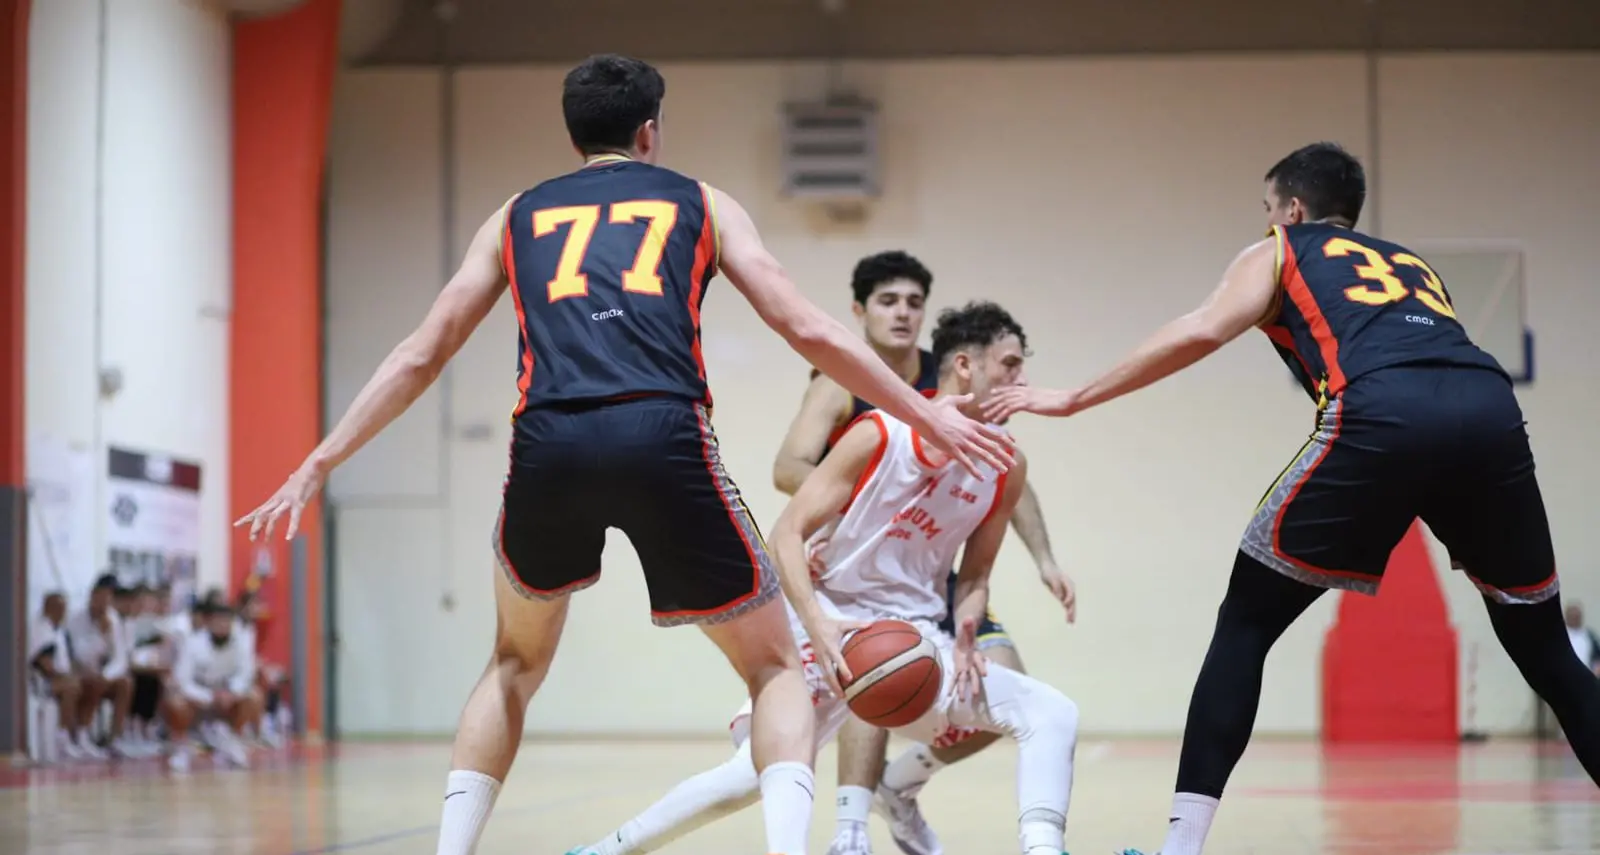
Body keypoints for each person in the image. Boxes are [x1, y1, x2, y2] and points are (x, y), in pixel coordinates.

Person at [234, 53, 1014, 855]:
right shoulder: (701, 201)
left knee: (511, 663)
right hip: (661, 435)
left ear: (574, 134)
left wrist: (320, 459)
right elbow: (806, 326)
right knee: (778, 666)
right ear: (650, 131)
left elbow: (420, 354)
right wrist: (924, 410)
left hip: (549, 442)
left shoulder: (514, 215)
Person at [983, 141, 1600, 855]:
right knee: (1549, 650)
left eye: (1269, 208)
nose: (1268, 219)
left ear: (1294, 209)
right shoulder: (1410, 265)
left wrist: (1074, 396)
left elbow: (1203, 327)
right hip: (1490, 408)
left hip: (1382, 411)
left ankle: (1179, 849)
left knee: (1245, 622)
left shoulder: (1280, 247)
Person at [565, 301, 1079, 855]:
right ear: (963, 367)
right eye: (1008, 365)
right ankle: (604, 850)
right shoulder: (880, 434)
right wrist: (818, 624)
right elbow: (785, 534)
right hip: (828, 618)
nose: (1022, 381)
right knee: (750, 777)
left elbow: (975, 575)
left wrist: (969, 633)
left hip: (914, 634)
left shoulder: (1005, 466)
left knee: (1051, 712)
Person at [773, 251, 1076, 855]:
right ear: (859, 312)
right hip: (866, 569)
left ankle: (899, 786)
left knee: (1008, 682)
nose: (904, 313)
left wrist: (1044, 556)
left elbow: (1005, 477)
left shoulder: (947, 382)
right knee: (880, 666)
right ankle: (851, 830)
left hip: (934, 570)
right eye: (889, 300)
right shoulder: (842, 382)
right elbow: (788, 467)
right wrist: (859, 507)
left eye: (914, 301)